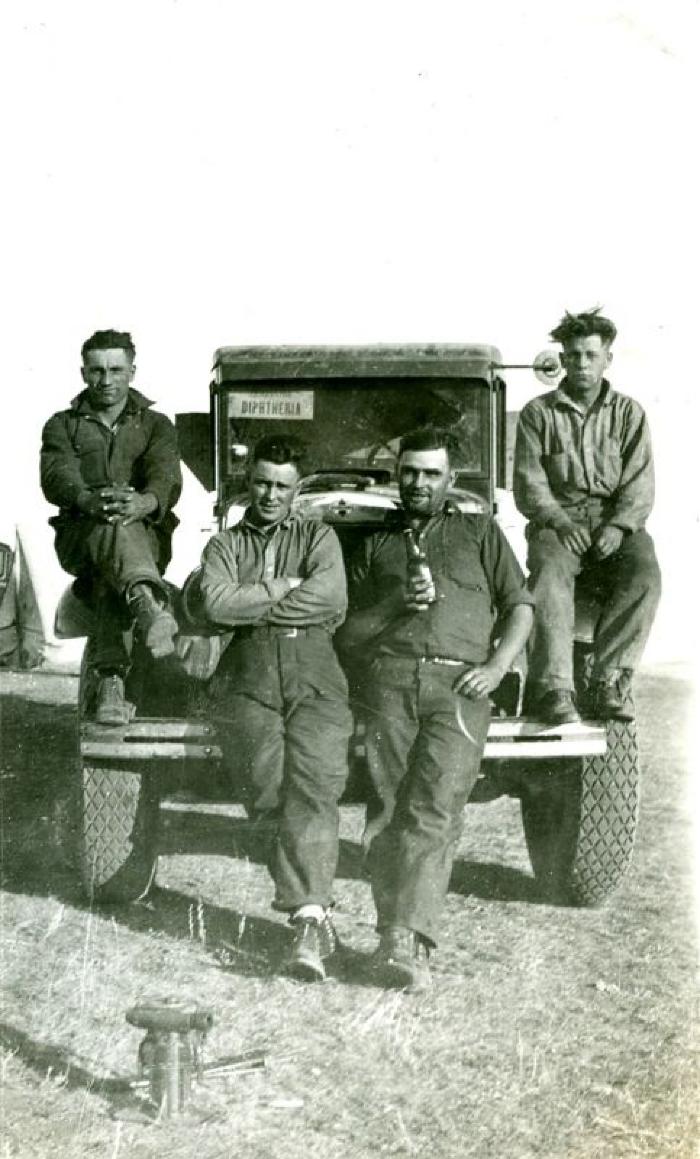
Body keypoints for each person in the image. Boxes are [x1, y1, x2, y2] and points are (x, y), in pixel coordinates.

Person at [338, 427, 534, 991]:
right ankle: (391, 935)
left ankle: (412, 941)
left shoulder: (479, 532)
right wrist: (393, 604)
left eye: (431, 474)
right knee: (387, 808)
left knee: (436, 809)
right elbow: (348, 635)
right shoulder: (374, 543)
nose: (419, 483)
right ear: (397, 476)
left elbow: (521, 607)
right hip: (390, 684)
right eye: (410, 472)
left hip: (460, 689)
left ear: (451, 479)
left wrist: (496, 668)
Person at [197, 435, 352, 982]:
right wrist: (287, 586)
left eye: (282, 486)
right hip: (249, 674)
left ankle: (309, 918)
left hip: (315, 671)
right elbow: (215, 602)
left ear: (297, 489)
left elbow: (331, 598)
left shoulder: (320, 535)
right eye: (262, 483)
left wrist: (254, 600)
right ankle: (309, 903)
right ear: (248, 482)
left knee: (314, 782)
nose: (270, 494)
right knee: (266, 788)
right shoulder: (224, 546)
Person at [513, 309, 661, 725]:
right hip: (559, 522)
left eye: (590, 355)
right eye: (573, 355)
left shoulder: (629, 414)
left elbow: (640, 481)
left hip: (615, 520)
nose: (581, 364)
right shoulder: (537, 414)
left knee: (645, 574)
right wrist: (559, 521)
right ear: (562, 356)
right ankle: (555, 688)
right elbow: (529, 481)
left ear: (607, 358)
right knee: (548, 571)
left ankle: (610, 679)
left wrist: (617, 526)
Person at [40, 329, 181, 725]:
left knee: (110, 576)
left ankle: (111, 683)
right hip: (81, 536)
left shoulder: (156, 424)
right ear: (84, 372)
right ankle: (147, 605)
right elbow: (57, 476)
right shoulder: (62, 425)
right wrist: (91, 501)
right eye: (97, 371)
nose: (107, 380)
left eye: (116, 370)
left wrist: (144, 502)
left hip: (146, 536)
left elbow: (165, 474)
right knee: (111, 531)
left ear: (132, 372)